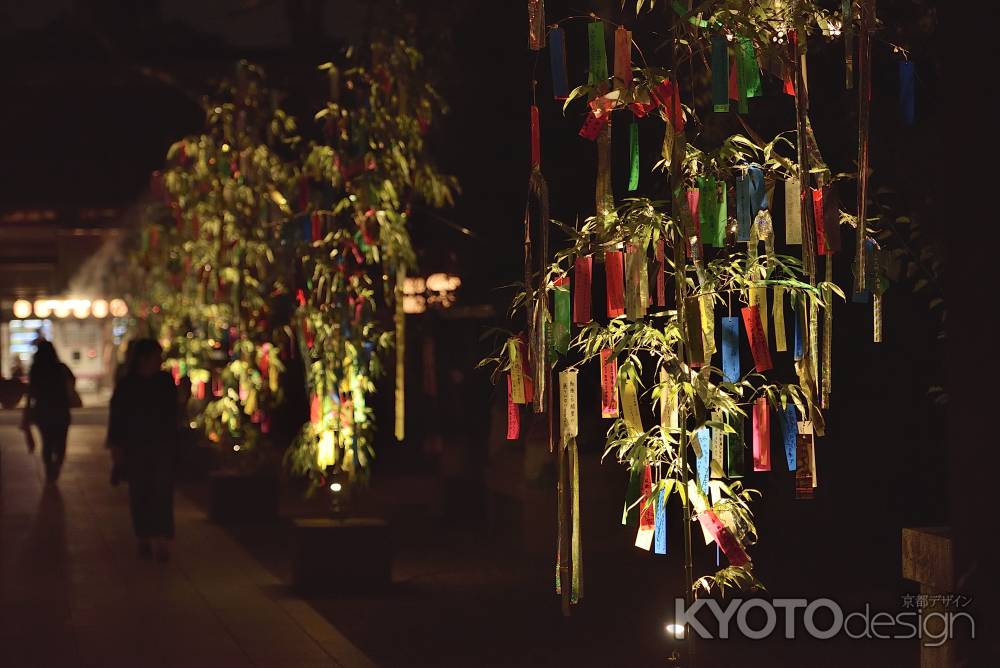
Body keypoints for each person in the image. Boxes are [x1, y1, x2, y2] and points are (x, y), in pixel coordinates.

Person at [107, 339, 179, 562]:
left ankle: (161, 540)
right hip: (136, 448)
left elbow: (173, 414)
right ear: (143, 359)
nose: (160, 361)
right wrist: (117, 452)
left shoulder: (164, 381)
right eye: (156, 356)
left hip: (161, 447)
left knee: (161, 493)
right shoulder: (128, 385)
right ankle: (144, 537)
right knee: (141, 493)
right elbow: (117, 421)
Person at [21, 340, 75, 483]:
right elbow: (71, 384)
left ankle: (49, 468)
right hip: (61, 410)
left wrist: (26, 412)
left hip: (42, 411)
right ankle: (57, 464)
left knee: (47, 442)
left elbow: (31, 392)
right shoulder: (61, 368)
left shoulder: (36, 369)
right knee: (61, 442)